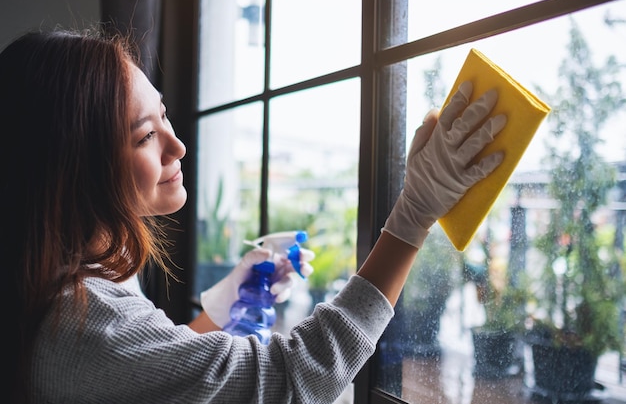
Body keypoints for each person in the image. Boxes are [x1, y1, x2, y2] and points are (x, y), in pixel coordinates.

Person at [1, 27, 506, 404]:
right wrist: (412, 215)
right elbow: (292, 379)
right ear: (75, 168)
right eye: (144, 135)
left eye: (164, 114)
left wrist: (224, 305)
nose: (177, 145)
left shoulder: (70, 281)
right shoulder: (80, 322)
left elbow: (154, 376)